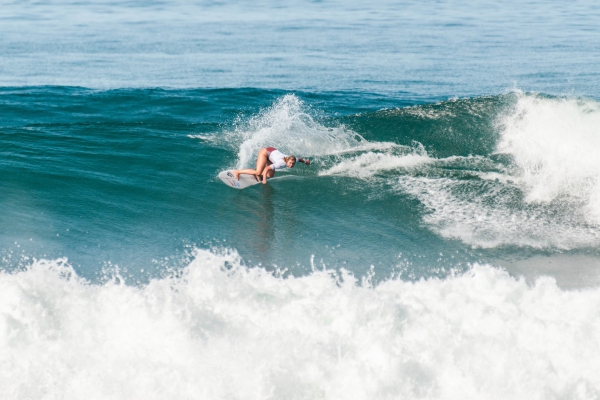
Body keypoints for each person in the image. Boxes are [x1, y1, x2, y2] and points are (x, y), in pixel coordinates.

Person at [234, 147, 310, 184]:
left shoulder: (292, 159)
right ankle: (238, 172)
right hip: (265, 152)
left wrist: (305, 161)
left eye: (293, 163)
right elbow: (267, 168)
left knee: (270, 175)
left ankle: (258, 171)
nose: (291, 165)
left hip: (271, 153)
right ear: (287, 161)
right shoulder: (281, 164)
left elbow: (299, 159)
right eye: (290, 163)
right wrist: (264, 181)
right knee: (258, 172)